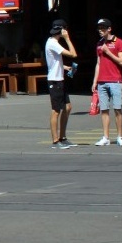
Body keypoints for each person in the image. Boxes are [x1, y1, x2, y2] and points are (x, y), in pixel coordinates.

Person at [92, 18, 122, 147]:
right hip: (102, 81)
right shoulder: (99, 43)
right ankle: (105, 137)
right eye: (99, 28)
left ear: (109, 29)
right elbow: (98, 63)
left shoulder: (119, 42)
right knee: (104, 110)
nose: (100, 30)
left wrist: (108, 52)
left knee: (117, 109)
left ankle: (119, 137)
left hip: (115, 80)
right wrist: (95, 81)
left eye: (103, 28)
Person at [45, 19, 78, 149]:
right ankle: (55, 141)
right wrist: (68, 39)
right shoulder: (53, 43)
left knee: (68, 107)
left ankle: (62, 137)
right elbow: (73, 54)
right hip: (55, 81)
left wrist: (65, 67)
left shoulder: (53, 42)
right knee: (56, 110)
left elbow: (53, 62)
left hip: (59, 78)